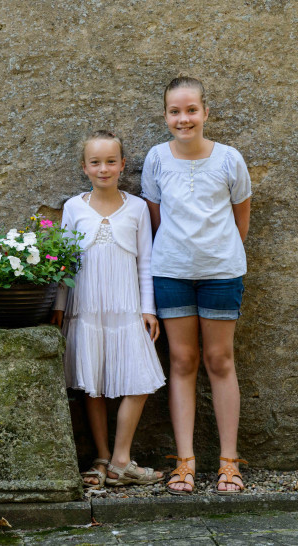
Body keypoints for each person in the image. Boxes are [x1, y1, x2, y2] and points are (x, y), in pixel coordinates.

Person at [141, 76, 251, 495]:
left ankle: (229, 463)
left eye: (191, 110)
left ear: (206, 112)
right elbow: (156, 218)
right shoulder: (156, 158)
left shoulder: (228, 160)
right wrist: (177, 253)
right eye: (175, 111)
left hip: (222, 273)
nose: (183, 118)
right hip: (171, 273)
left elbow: (241, 218)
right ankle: (183, 463)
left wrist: (219, 254)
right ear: (165, 114)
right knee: (183, 361)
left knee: (220, 360)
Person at [54, 130, 165, 490]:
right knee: (93, 383)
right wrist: (59, 306)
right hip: (86, 308)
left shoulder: (136, 208)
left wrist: (148, 309)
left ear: (123, 165)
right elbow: (64, 263)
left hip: (126, 307)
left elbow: (146, 261)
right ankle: (102, 458)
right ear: (85, 167)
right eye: (96, 162)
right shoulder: (73, 207)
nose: (104, 169)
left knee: (141, 378)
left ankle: (121, 457)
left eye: (111, 161)